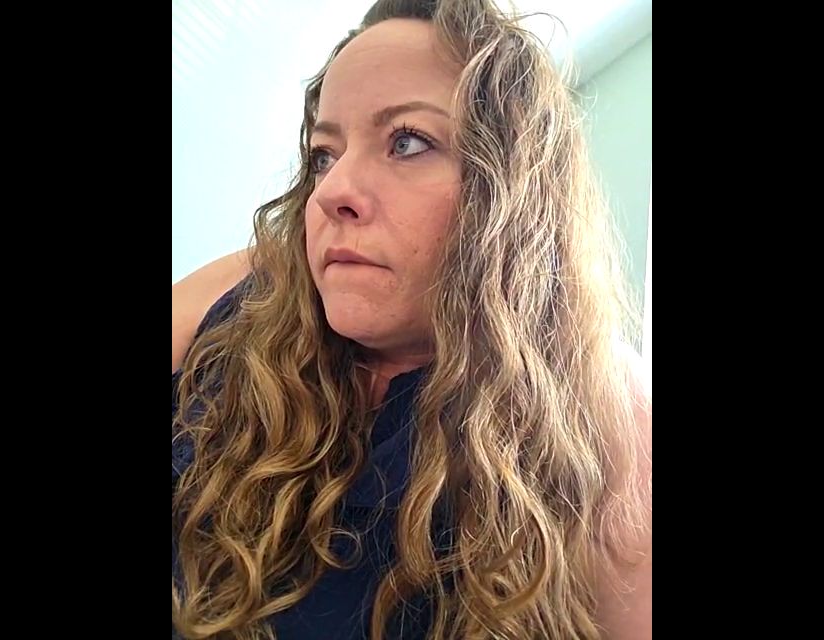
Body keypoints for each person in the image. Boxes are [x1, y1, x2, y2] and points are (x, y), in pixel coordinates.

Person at [172, 0, 651, 638]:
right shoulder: (243, 288)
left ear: (513, 196)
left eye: (407, 142)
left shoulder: (603, 413)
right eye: (323, 154)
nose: (331, 191)